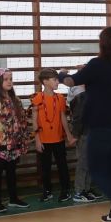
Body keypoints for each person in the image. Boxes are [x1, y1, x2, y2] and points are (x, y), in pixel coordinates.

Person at [59, 26, 111, 222]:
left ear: (102, 44)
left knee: (97, 169)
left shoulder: (96, 64)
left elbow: (71, 81)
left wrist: (60, 75)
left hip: (103, 124)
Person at [0, 67, 29, 213]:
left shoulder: (16, 100)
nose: (10, 82)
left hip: (13, 142)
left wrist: (23, 139)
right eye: (6, 79)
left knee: (11, 172)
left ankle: (13, 198)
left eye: (11, 79)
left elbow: (22, 120)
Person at [32, 68, 76, 203]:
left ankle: (65, 190)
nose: (58, 82)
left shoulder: (60, 98)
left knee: (62, 166)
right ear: (45, 81)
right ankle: (47, 190)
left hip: (58, 139)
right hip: (44, 140)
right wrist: (37, 140)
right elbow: (34, 120)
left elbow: (63, 118)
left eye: (57, 79)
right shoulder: (37, 98)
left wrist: (69, 135)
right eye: (55, 80)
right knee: (45, 168)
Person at [68, 85, 101, 203]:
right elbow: (78, 118)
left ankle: (86, 189)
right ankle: (79, 191)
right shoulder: (82, 97)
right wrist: (75, 135)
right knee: (83, 163)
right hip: (85, 134)